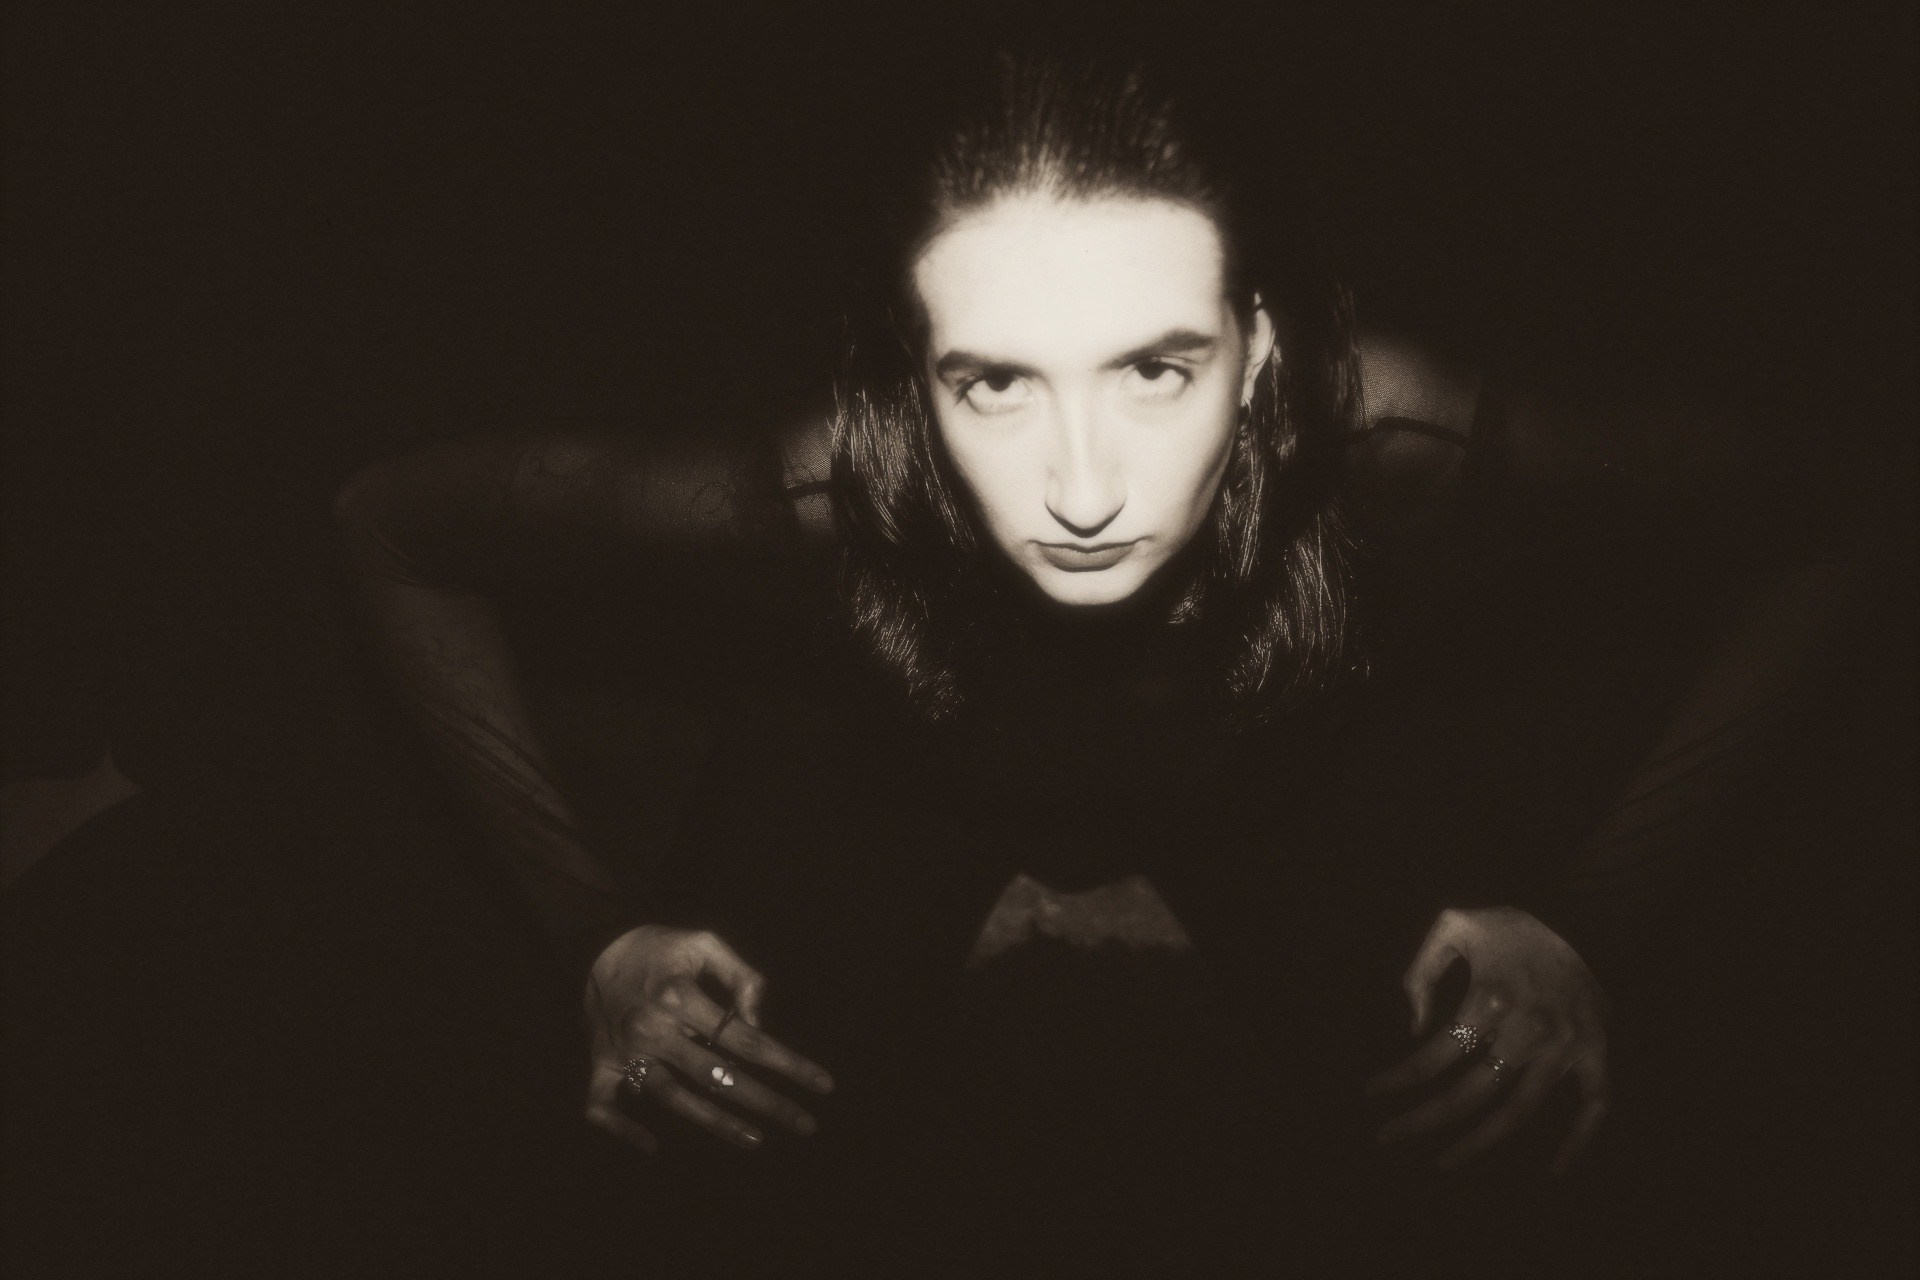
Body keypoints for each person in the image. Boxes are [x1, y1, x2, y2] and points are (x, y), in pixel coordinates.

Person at [330, 53, 1835, 1274]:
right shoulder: (807, 500)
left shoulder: (1397, 443)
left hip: (1277, 752)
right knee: (695, 1151)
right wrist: (591, 932)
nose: (1085, 490)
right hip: (899, 752)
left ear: (1257, 349)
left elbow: (1827, 527)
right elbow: (393, 528)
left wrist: (1592, 917)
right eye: (995, 383)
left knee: (1499, 1152)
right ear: (913, 383)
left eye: (1155, 370)